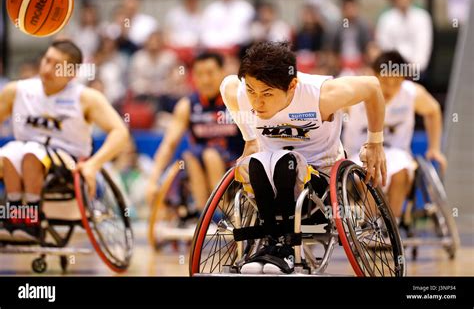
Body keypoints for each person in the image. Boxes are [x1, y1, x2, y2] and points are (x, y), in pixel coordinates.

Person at [219, 41, 387, 274]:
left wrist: (375, 143)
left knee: (285, 162)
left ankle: (286, 248)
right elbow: (226, 86)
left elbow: (372, 87)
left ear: (292, 85)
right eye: (251, 92)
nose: (257, 102)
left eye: (267, 94)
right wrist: (249, 139)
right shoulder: (241, 91)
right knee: (255, 162)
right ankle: (269, 245)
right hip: (267, 178)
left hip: (320, 183)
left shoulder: (321, 95)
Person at [0, 40, 129, 241]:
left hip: (69, 163)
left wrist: (94, 165)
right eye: (47, 60)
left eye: (57, 65)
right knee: (9, 152)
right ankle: (15, 216)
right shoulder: (17, 91)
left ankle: (32, 220)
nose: (48, 68)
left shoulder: (86, 98)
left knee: (31, 152)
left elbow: (120, 132)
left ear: (72, 73)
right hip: (23, 155)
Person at [343, 50, 447, 220]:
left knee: (401, 173)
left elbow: (433, 111)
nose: (390, 87)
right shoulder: (357, 91)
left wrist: (434, 148)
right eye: (385, 81)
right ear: (374, 76)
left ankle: (392, 225)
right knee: (369, 172)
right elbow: (329, 113)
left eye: (396, 82)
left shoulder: (411, 93)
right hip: (358, 154)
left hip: (397, 153)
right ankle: (371, 225)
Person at [146, 52, 244, 215]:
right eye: (199, 74)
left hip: (234, 162)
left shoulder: (236, 100)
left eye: (210, 73)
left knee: (211, 155)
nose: (205, 80)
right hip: (198, 163)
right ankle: (203, 212)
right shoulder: (187, 105)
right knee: (190, 157)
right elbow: (169, 144)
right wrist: (153, 179)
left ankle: (223, 211)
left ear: (222, 72)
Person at [375, 0, 433, 74]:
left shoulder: (422, 17)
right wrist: (396, 67)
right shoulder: (385, 19)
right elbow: (384, 46)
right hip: (392, 69)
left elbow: (423, 46)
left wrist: (414, 68)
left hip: (417, 70)